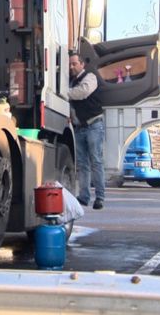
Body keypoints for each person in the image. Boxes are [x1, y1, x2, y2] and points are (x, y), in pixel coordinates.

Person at [68, 53, 105, 210]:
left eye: (74, 64)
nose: (71, 67)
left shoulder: (90, 77)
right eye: (70, 64)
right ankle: (84, 197)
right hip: (80, 127)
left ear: (82, 64)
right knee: (83, 164)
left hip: (93, 125)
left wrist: (64, 93)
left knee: (95, 161)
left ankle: (100, 197)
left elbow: (83, 92)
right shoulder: (71, 82)